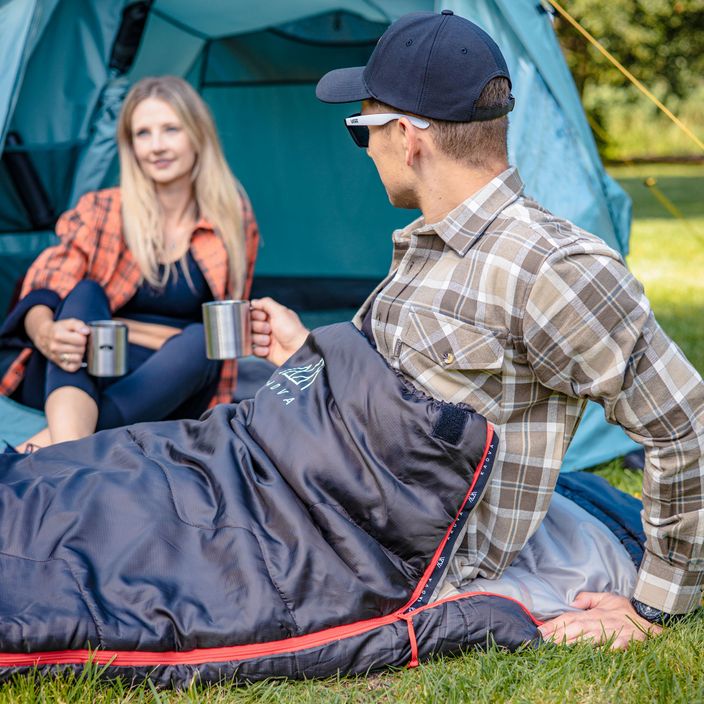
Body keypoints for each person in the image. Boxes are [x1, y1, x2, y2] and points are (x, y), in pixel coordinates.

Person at [250, 10, 704, 649]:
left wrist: (654, 608)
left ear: (407, 137)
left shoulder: (552, 269)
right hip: (323, 490)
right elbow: (391, 396)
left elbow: (686, 425)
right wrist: (304, 352)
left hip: (391, 549)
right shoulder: (431, 242)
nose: (366, 147)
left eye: (362, 128)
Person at [0, 76, 259, 451]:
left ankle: (51, 446)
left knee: (205, 340)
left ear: (197, 135)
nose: (156, 147)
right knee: (84, 293)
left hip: (170, 379)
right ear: (130, 145)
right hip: (81, 369)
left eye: (170, 129)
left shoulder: (231, 219)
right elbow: (49, 280)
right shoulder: (103, 209)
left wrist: (119, 326)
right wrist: (45, 332)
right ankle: (68, 447)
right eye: (143, 134)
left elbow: (226, 336)